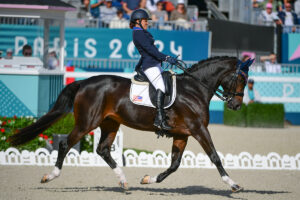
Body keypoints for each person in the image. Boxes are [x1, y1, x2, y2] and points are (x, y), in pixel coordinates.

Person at [130, 9, 177, 131]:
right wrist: (166, 57)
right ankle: (159, 118)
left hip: (155, 64)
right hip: (150, 65)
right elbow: (151, 51)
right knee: (161, 87)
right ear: (138, 21)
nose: (147, 23)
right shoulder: (138, 34)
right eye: (145, 20)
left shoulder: (142, 32)